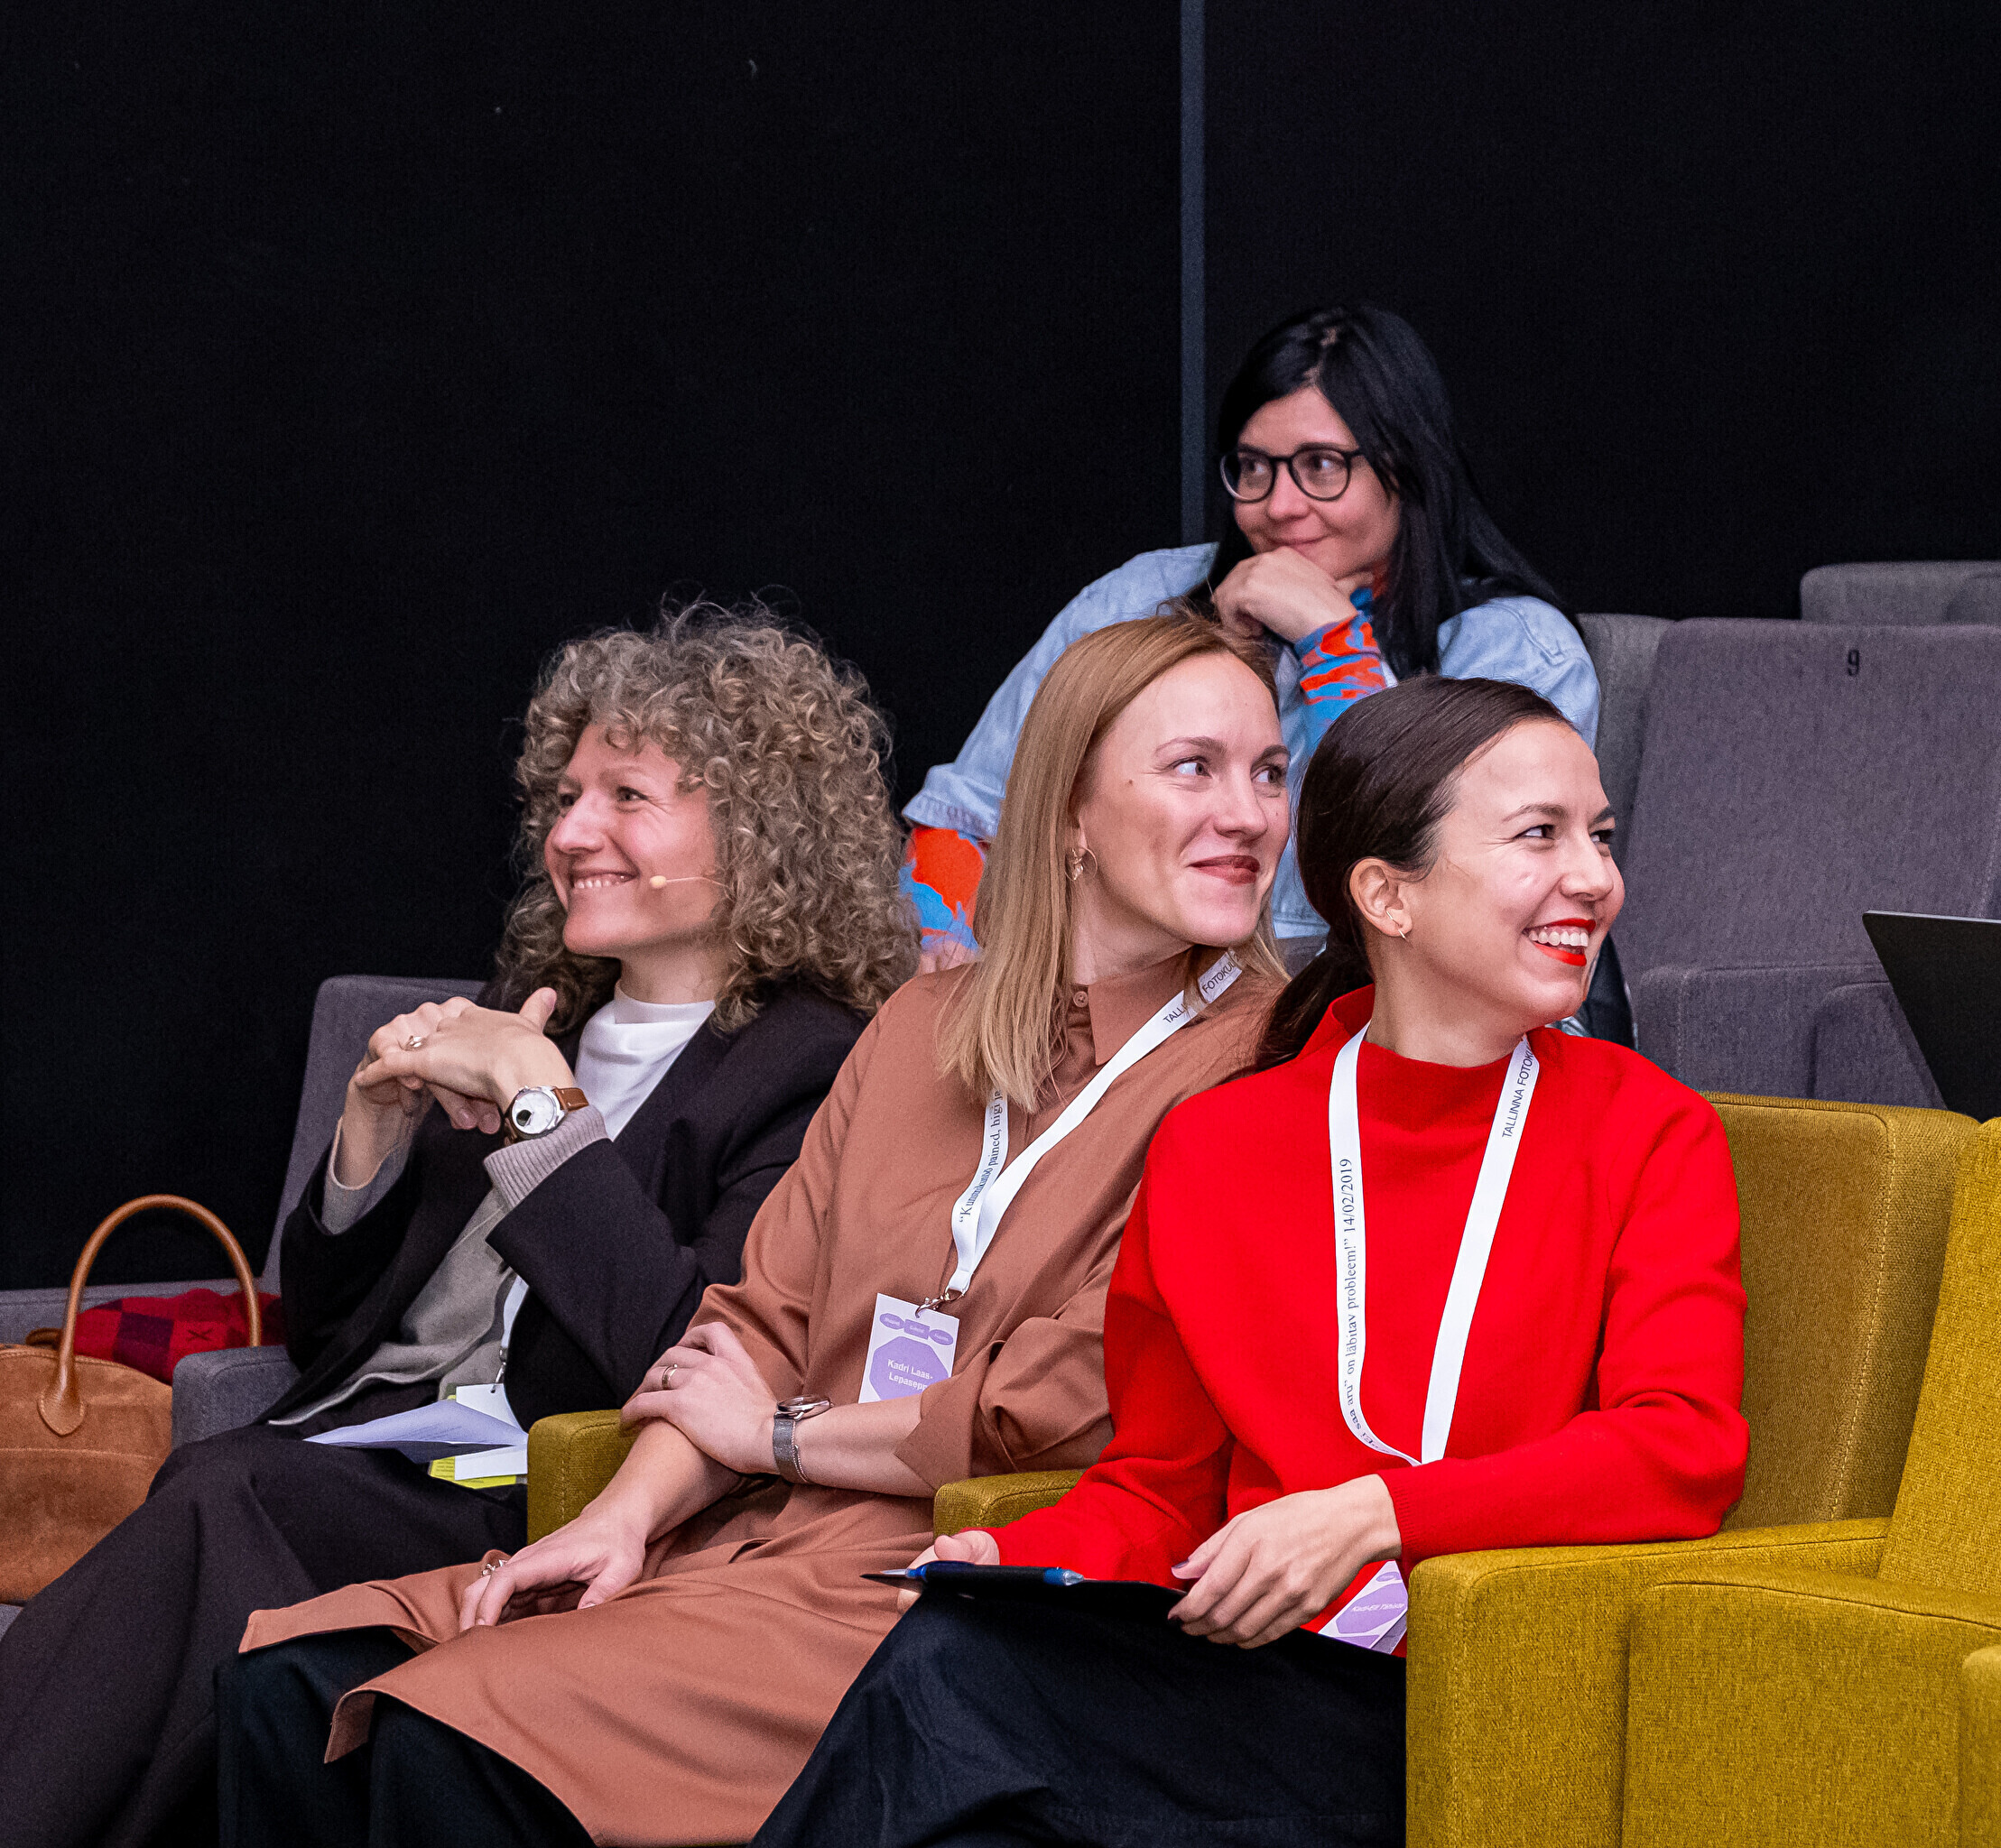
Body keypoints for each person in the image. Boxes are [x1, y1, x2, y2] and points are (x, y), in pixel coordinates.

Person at [215, 614, 1292, 1848]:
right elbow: (752, 1325)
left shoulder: (1274, 1062)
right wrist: (620, 1518)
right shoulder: (920, 1026)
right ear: (1068, 812)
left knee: (448, 1727)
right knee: (287, 1686)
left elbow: (1058, 1401)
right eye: (1196, 768)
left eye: (1270, 772)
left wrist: (780, 1433)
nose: (1250, 815)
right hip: (739, 1537)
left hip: (945, 1574)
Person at [740, 675, 1747, 1847]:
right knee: (967, 1712)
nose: (1595, 878)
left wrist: (1372, 1514)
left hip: (1482, 1693)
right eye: (1541, 834)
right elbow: (1160, 1487)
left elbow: (1682, 1447)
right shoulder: (1219, 1144)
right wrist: (1014, 1551)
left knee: (954, 1682)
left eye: (1601, 837)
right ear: (1387, 894)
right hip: (1252, 1676)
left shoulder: (1649, 1128)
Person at [0, 607, 913, 1848]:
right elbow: (329, 1334)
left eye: (628, 796)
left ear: (761, 834)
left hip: (559, 1485)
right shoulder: (533, 1008)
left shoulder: (813, 1065)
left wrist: (539, 1105)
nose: (571, 832)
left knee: (227, 1497)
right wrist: (364, 1137)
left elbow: (688, 1349)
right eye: (567, 795)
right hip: (370, 1450)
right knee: (230, 1541)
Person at [898, 301, 1598, 958]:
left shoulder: (1516, 652)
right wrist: (956, 963)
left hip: (1353, 1008)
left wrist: (1333, 643)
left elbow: (1437, 895)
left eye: (1321, 466)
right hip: (1124, 992)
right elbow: (967, 816)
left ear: (1408, 469)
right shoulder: (1144, 597)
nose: (1279, 505)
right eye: (1256, 468)